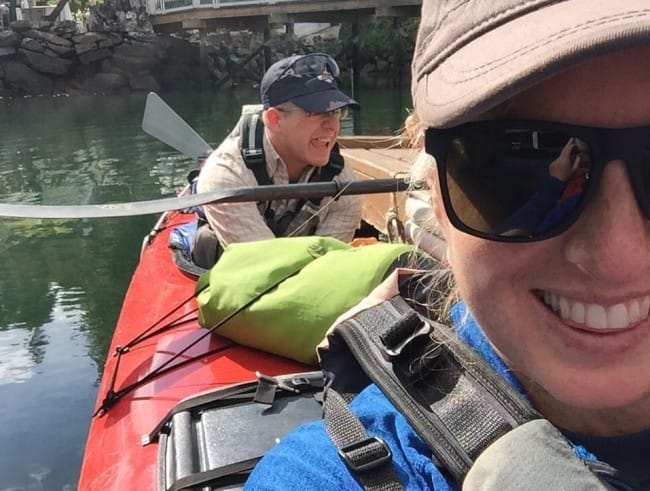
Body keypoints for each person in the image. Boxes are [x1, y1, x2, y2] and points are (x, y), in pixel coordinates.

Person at [244, 1, 650, 489]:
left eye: (333, 113)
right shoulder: (333, 474)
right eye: (512, 161)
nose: (616, 257)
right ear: (432, 187)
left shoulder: (341, 176)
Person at [192, 53, 363, 268]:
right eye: (315, 113)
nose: (332, 126)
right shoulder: (227, 176)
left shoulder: (344, 183)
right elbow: (267, 269)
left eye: (337, 112)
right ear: (275, 119)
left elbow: (329, 268)